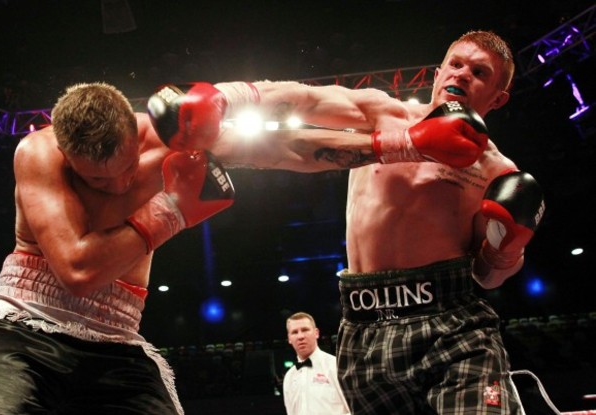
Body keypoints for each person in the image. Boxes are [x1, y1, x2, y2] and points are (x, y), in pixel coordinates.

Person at [147, 30, 545, 414]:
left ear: (499, 96)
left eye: (479, 73)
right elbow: (304, 99)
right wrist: (227, 98)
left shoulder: (497, 170)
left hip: (453, 325)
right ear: (438, 73)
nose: (462, 75)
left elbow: (487, 276)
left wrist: (506, 249)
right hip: (365, 326)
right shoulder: (384, 113)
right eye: (455, 64)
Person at [0, 82, 235, 414]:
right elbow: (78, 272)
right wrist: (172, 211)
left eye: (128, 167)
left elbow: (276, 140)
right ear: (67, 155)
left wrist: (285, 101)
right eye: (97, 179)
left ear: (134, 139)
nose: (119, 184)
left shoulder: (171, 143)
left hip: (117, 339)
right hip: (25, 325)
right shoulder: (39, 151)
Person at [283, 312, 350, 415]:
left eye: (305, 330)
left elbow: (354, 410)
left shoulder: (336, 366)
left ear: (316, 333)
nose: (300, 336)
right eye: (295, 332)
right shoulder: (289, 377)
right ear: (289, 339)